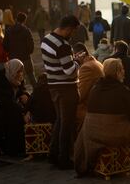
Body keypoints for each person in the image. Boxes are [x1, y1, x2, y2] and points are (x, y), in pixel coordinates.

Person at [74, 58, 130, 176]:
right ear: (118, 72)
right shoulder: (123, 90)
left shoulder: (94, 89)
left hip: (91, 133)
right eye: (122, 69)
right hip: (112, 135)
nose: (124, 72)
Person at [41, 15, 81, 169]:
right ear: (69, 28)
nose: (73, 34)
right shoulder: (63, 45)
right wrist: (78, 61)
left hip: (53, 86)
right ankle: (63, 159)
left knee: (59, 121)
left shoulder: (46, 39)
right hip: (66, 88)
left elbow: (57, 62)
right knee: (67, 124)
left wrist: (71, 58)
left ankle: (53, 154)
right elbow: (70, 71)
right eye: (74, 30)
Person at [72, 42, 104, 132]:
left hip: (91, 109)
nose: (74, 59)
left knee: (66, 112)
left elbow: (80, 95)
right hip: (99, 104)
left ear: (81, 54)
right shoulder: (96, 62)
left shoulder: (86, 68)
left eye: (74, 56)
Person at [3, 12, 36, 86]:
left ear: (16, 19)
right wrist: (28, 52)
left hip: (13, 58)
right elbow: (31, 45)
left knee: (15, 78)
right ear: (25, 20)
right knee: (31, 76)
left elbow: (5, 45)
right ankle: (38, 93)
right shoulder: (26, 30)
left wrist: (10, 52)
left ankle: (19, 94)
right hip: (25, 57)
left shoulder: (8, 30)